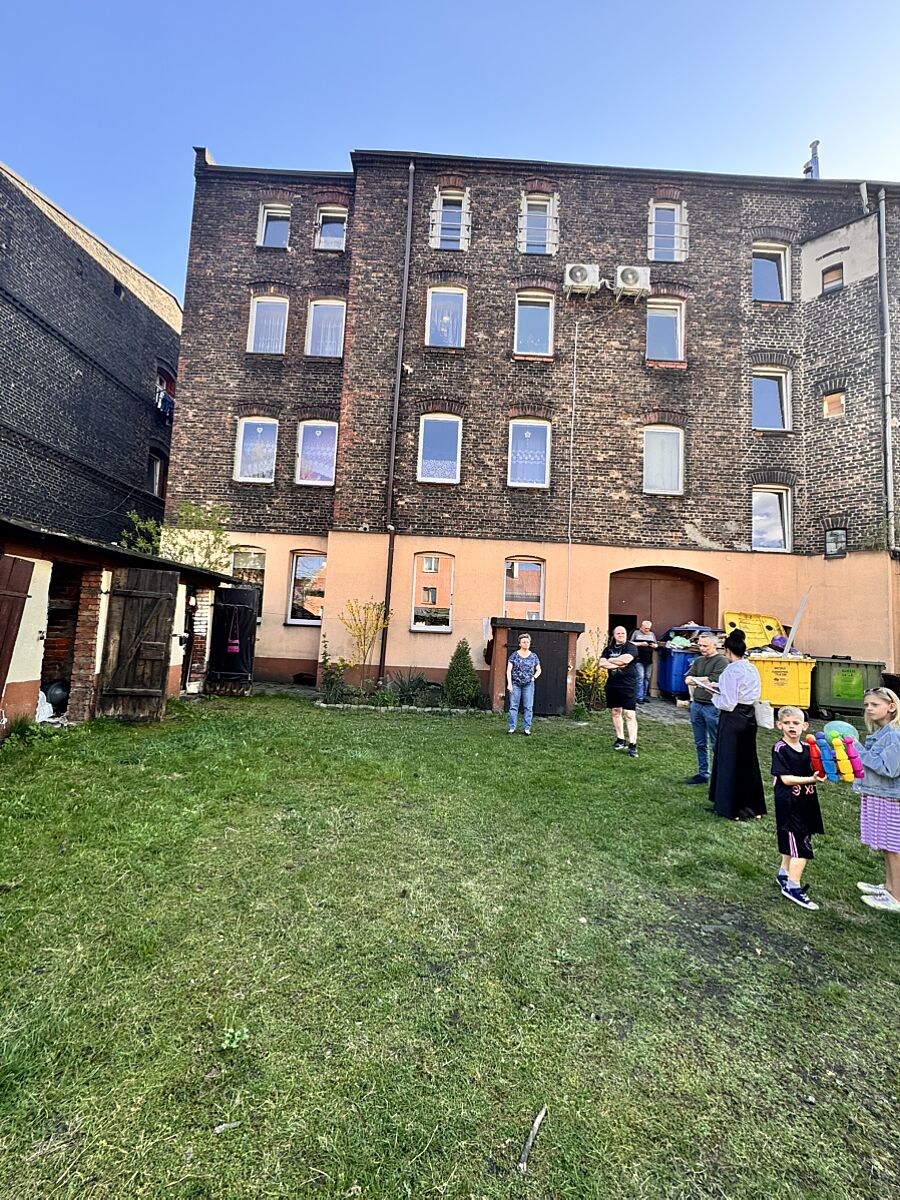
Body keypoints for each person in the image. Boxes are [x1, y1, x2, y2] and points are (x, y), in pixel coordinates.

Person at [707, 628, 766, 820]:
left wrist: (713, 694)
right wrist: (720, 688)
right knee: (747, 760)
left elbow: (728, 703)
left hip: (732, 718)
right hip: (749, 716)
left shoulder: (730, 671)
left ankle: (729, 806)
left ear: (727, 651)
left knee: (728, 760)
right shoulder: (751, 668)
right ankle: (752, 806)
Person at [771, 706, 825, 911]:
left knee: (793, 841)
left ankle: (784, 874)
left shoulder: (807, 748)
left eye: (796, 723)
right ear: (779, 725)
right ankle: (793, 887)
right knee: (801, 846)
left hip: (807, 802)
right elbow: (785, 779)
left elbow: (817, 767)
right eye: (786, 723)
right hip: (790, 804)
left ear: (805, 726)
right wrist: (812, 779)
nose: (791, 727)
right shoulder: (780, 749)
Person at [853, 686, 900, 913]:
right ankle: (890, 887)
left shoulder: (894, 735)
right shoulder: (883, 732)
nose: (869, 709)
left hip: (890, 798)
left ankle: (897, 897)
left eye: (874, 704)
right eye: (866, 705)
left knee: (893, 848)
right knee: (886, 846)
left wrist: (858, 751)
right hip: (879, 795)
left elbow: (890, 769)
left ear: (891, 707)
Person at [683, 634, 728, 785]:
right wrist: (700, 679)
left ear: (714, 645)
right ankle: (703, 773)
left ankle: (720, 775)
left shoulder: (721, 661)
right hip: (696, 704)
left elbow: (714, 680)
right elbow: (687, 679)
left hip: (712, 706)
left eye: (705, 646)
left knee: (716, 743)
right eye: (700, 645)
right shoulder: (699, 660)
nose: (701, 648)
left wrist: (697, 679)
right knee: (700, 742)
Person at [598, 625, 640, 758]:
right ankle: (620, 739)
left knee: (629, 714)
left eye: (623, 633)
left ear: (626, 634)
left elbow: (626, 660)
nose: (621, 635)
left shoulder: (630, 647)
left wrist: (610, 661)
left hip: (627, 685)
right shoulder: (608, 649)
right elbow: (601, 663)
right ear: (614, 635)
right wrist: (618, 663)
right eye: (618, 633)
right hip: (612, 684)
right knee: (616, 712)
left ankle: (633, 744)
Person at [506, 632, 541, 735]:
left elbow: (539, 670)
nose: (526, 644)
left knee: (528, 707)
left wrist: (534, 678)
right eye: (524, 642)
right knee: (513, 706)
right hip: (515, 683)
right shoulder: (514, 655)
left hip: (528, 685)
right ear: (520, 644)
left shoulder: (533, 656)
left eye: (527, 642)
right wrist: (509, 684)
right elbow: (508, 670)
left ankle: (527, 728)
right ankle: (512, 727)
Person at [629, 619, 657, 704]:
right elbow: (630, 643)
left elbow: (656, 644)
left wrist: (654, 645)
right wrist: (641, 644)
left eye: (648, 628)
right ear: (641, 627)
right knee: (640, 678)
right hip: (639, 659)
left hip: (649, 660)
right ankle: (639, 697)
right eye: (645, 628)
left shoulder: (652, 634)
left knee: (647, 678)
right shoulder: (636, 633)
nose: (647, 630)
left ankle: (644, 696)